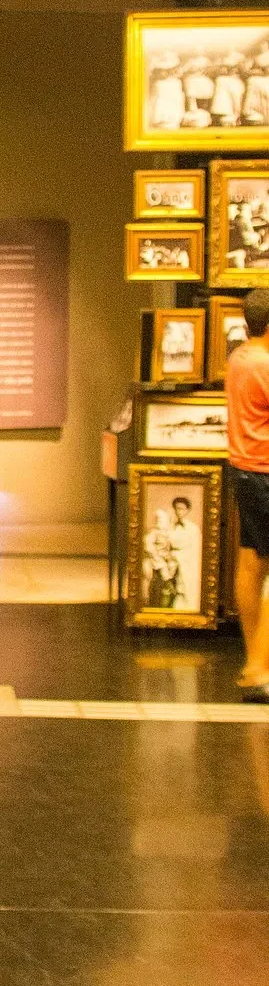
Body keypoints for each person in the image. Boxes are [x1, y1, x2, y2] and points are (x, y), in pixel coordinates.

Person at [225, 286, 269, 697]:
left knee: (251, 564)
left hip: (244, 470)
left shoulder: (238, 358)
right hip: (265, 472)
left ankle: (254, 659)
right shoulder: (265, 364)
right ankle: (258, 667)